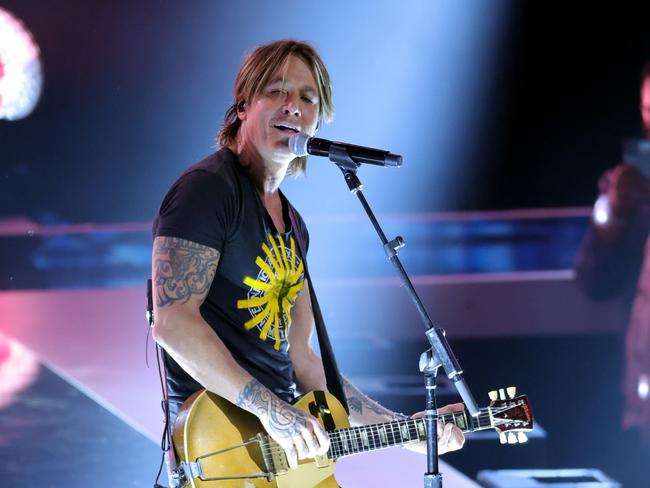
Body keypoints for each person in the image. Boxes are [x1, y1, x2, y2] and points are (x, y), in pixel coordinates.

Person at [151, 39, 464, 477]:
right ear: (243, 105)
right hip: (221, 445)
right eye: (276, 91)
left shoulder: (294, 226)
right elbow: (172, 323)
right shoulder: (207, 191)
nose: (293, 106)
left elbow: (301, 359)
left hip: (285, 448)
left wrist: (406, 431)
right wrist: (273, 412)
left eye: (307, 97)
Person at [575, 61, 650, 485]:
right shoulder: (629, 188)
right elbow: (593, 281)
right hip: (640, 404)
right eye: (647, 111)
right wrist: (615, 216)